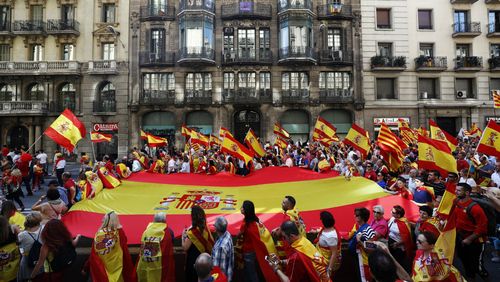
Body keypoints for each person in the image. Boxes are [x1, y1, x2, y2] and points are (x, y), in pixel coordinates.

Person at [85, 211, 136, 281]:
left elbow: (93, 253)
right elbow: (124, 243)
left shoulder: (99, 234)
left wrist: (86, 267)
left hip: (101, 269)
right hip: (117, 266)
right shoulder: (119, 232)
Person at [237, 200, 279, 282]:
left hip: (248, 251)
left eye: (242, 207)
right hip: (256, 250)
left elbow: (239, 234)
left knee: (251, 271)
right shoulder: (256, 220)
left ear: (246, 210)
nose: (241, 208)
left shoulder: (245, 224)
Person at [454, 182, 489, 279]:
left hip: (475, 241)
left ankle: (484, 276)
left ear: (467, 193)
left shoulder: (475, 208)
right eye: (456, 190)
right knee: (463, 258)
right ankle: (470, 277)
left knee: (476, 264)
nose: (455, 192)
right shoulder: (456, 201)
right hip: (461, 237)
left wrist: (469, 239)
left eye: (459, 190)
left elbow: (482, 227)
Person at [136, 213, 175, 282]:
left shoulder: (146, 231)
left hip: (147, 262)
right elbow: (172, 244)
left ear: (154, 220)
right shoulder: (168, 231)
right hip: (161, 264)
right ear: (164, 220)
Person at [182, 205, 215, 282]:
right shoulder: (205, 227)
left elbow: (185, 247)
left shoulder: (192, 233)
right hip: (204, 259)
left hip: (194, 261)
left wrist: (183, 237)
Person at [348, 207, 376, 282]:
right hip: (357, 258)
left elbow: (371, 249)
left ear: (362, 217)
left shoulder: (368, 230)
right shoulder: (357, 227)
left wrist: (359, 241)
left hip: (364, 261)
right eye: (355, 214)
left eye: (357, 215)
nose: (354, 216)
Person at [314, 211, 341, 279]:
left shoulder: (331, 236)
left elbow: (334, 253)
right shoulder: (326, 229)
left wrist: (329, 269)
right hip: (321, 260)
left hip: (325, 264)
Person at [17, 212, 43, 281]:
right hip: (42, 259)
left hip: (27, 261)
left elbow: (20, 248)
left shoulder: (22, 235)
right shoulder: (43, 229)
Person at [387, 205, 414, 273]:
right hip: (390, 240)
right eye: (391, 211)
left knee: (398, 262)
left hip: (399, 246)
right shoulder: (392, 219)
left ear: (398, 215)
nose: (391, 213)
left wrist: (397, 244)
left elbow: (407, 238)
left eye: (393, 212)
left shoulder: (404, 223)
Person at [212, 216, 234, 281]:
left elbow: (219, 269)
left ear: (217, 229)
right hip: (228, 275)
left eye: (215, 226)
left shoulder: (220, 248)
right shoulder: (227, 234)